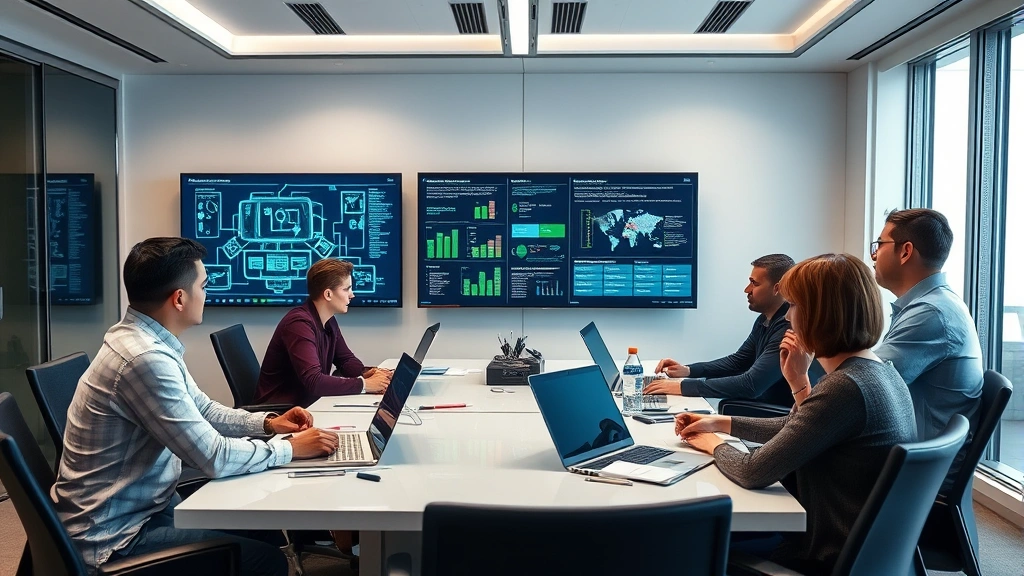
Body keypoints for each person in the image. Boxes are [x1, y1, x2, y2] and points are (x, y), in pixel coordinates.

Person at [52, 237, 339, 576]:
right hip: (116, 539)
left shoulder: (148, 341)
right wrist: (289, 450)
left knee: (263, 525)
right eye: (203, 285)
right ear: (179, 298)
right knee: (268, 561)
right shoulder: (144, 359)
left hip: (145, 509)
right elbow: (213, 458)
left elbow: (204, 410)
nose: (207, 293)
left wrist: (269, 425)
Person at [676, 253, 917, 574]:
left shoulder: (845, 387)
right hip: (858, 549)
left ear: (820, 315)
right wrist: (722, 422)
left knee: (690, 543)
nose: (788, 317)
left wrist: (709, 441)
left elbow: (752, 471)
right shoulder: (879, 371)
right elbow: (802, 426)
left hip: (819, 553)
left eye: (794, 306)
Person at [871, 208, 983, 488]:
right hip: (918, 459)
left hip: (918, 475)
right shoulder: (930, 305)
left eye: (879, 244)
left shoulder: (931, 313)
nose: (873, 254)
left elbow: (865, 387)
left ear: (905, 251)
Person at [645, 254, 822, 406]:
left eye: (754, 283)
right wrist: (689, 371)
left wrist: (683, 387)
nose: (747, 290)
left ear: (778, 288)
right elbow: (738, 362)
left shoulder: (788, 329)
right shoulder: (765, 319)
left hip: (777, 416)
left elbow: (751, 385)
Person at [255, 258, 392, 408]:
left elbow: (345, 360)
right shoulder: (298, 325)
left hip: (308, 406)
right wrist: (365, 384)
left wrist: (368, 372)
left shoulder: (328, 320)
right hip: (282, 414)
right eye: (346, 289)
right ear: (328, 294)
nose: (352, 295)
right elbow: (314, 381)